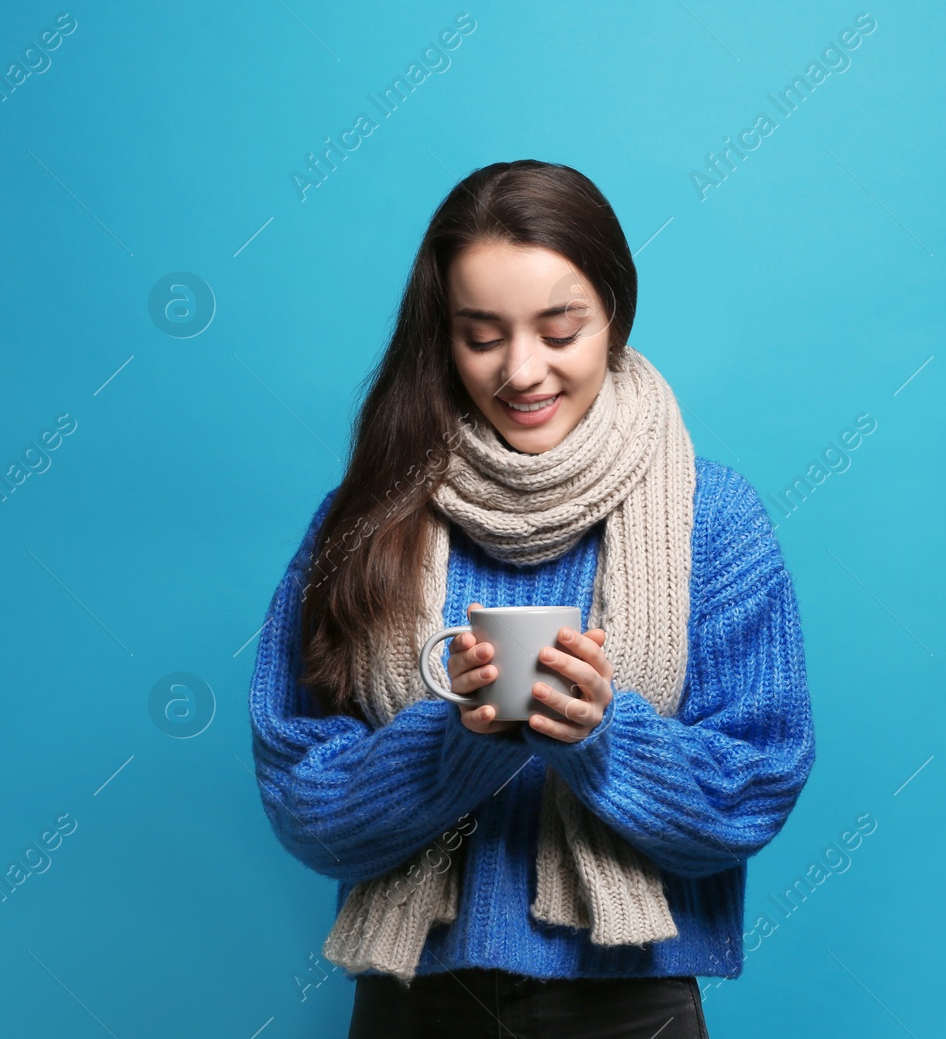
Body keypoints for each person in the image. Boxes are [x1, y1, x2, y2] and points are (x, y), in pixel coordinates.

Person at [247, 159, 816, 1038]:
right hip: (415, 1007)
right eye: (483, 335)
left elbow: (753, 791)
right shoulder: (364, 517)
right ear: (442, 335)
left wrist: (602, 739)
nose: (523, 370)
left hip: (631, 1004)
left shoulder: (716, 519)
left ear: (615, 316)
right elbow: (299, 795)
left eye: (560, 330)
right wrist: (455, 745)